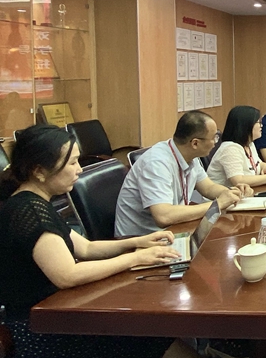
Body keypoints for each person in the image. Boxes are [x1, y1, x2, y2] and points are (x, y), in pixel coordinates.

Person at [0, 124, 181, 357]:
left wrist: (137, 242)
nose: (79, 170)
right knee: (150, 329)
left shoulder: (36, 201)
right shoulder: (30, 210)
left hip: (56, 310)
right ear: (39, 171)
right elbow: (67, 275)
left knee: (152, 327)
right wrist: (135, 259)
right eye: (72, 163)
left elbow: (86, 247)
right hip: (39, 329)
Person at [115, 110, 253, 237]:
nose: (215, 143)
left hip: (173, 231)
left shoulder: (189, 155)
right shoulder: (156, 163)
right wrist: (217, 204)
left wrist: (230, 193)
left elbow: (208, 188)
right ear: (195, 143)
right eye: (214, 138)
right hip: (141, 240)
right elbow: (163, 216)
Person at [207, 105, 266, 188]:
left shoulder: (249, 144)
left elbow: (257, 163)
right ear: (246, 125)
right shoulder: (230, 149)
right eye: (258, 122)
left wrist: (265, 166)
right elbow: (238, 181)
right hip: (221, 197)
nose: (261, 126)